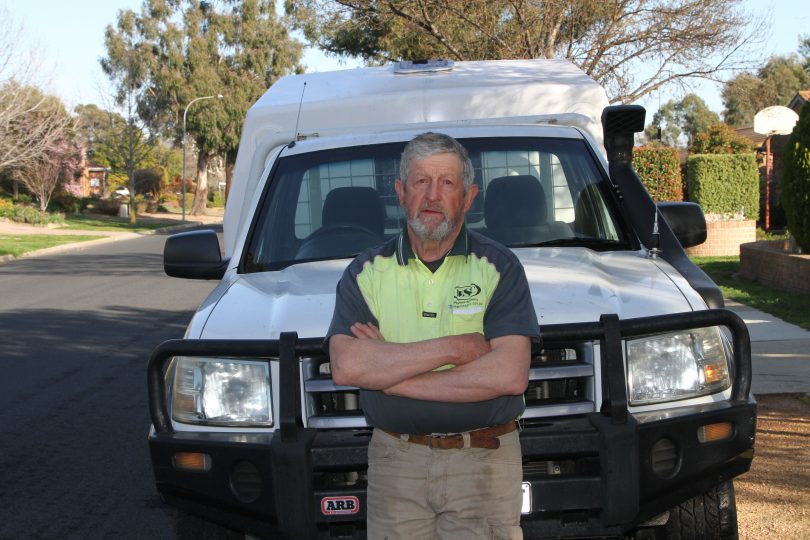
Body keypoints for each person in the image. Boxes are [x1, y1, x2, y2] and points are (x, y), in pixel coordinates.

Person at [326, 132, 539, 539]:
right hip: (395, 460)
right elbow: (347, 365)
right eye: (421, 182)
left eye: (447, 183)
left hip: (485, 462)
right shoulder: (365, 272)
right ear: (400, 193)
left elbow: (508, 374)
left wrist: (391, 376)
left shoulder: (500, 267)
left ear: (469, 196)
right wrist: (457, 347)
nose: (432, 195)